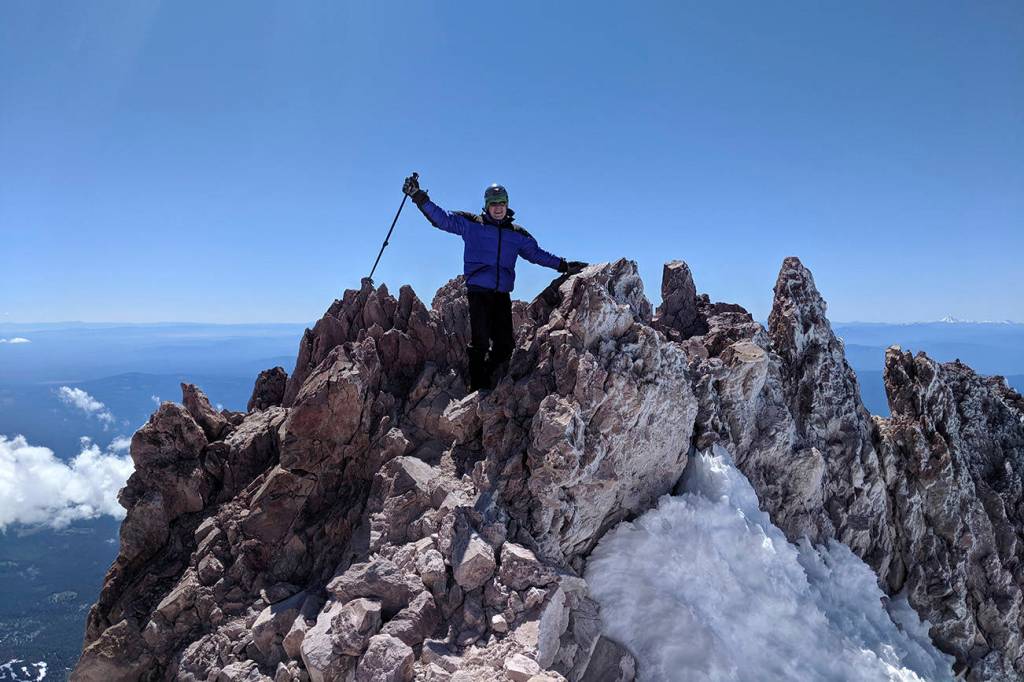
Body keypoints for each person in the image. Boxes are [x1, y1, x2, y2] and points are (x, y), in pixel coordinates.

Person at [403, 174, 587, 391]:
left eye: (501, 204)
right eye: (493, 204)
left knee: (505, 345)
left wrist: (564, 266)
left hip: (501, 294)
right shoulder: (473, 224)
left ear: (507, 205)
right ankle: (477, 388)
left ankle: (489, 376)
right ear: (486, 205)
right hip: (478, 290)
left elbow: (537, 254)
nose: (498, 208)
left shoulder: (517, 234)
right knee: (479, 341)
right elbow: (442, 219)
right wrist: (418, 196)